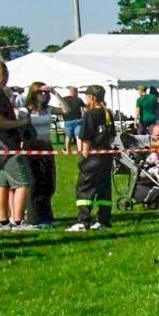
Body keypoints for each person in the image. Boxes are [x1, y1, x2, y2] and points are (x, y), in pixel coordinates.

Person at [0, 60, 35, 231]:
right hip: (7, 145)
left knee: (2, 184)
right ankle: (18, 222)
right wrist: (21, 123)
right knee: (23, 183)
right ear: (5, 74)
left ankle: (3, 223)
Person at [69, 85, 117, 231]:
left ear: (92, 98)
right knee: (103, 188)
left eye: (87, 97)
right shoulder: (107, 113)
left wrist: (84, 153)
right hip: (106, 156)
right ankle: (104, 221)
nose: (86, 99)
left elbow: (86, 137)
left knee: (85, 188)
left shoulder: (90, 114)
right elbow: (112, 135)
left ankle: (83, 221)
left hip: (93, 157)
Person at [24, 86, 59, 227]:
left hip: (47, 147)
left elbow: (67, 110)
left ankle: (47, 216)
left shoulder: (48, 109)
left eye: (45, 92)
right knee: (35, 183)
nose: (43, 94)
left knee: (49, 183)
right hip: (33, 148)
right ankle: (34, 218)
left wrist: (55, 92)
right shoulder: (25, 110)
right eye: (40, 92)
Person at [59, 86, 84, 154]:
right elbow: (84, 108)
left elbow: (61, 106)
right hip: (77, 120)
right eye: (77, 91)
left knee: (68, 136)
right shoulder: (79, 99)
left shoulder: (64, 99)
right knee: (78, 136)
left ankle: (68, 151)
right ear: (75, 91)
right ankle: (80, 151)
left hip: (67, 120)